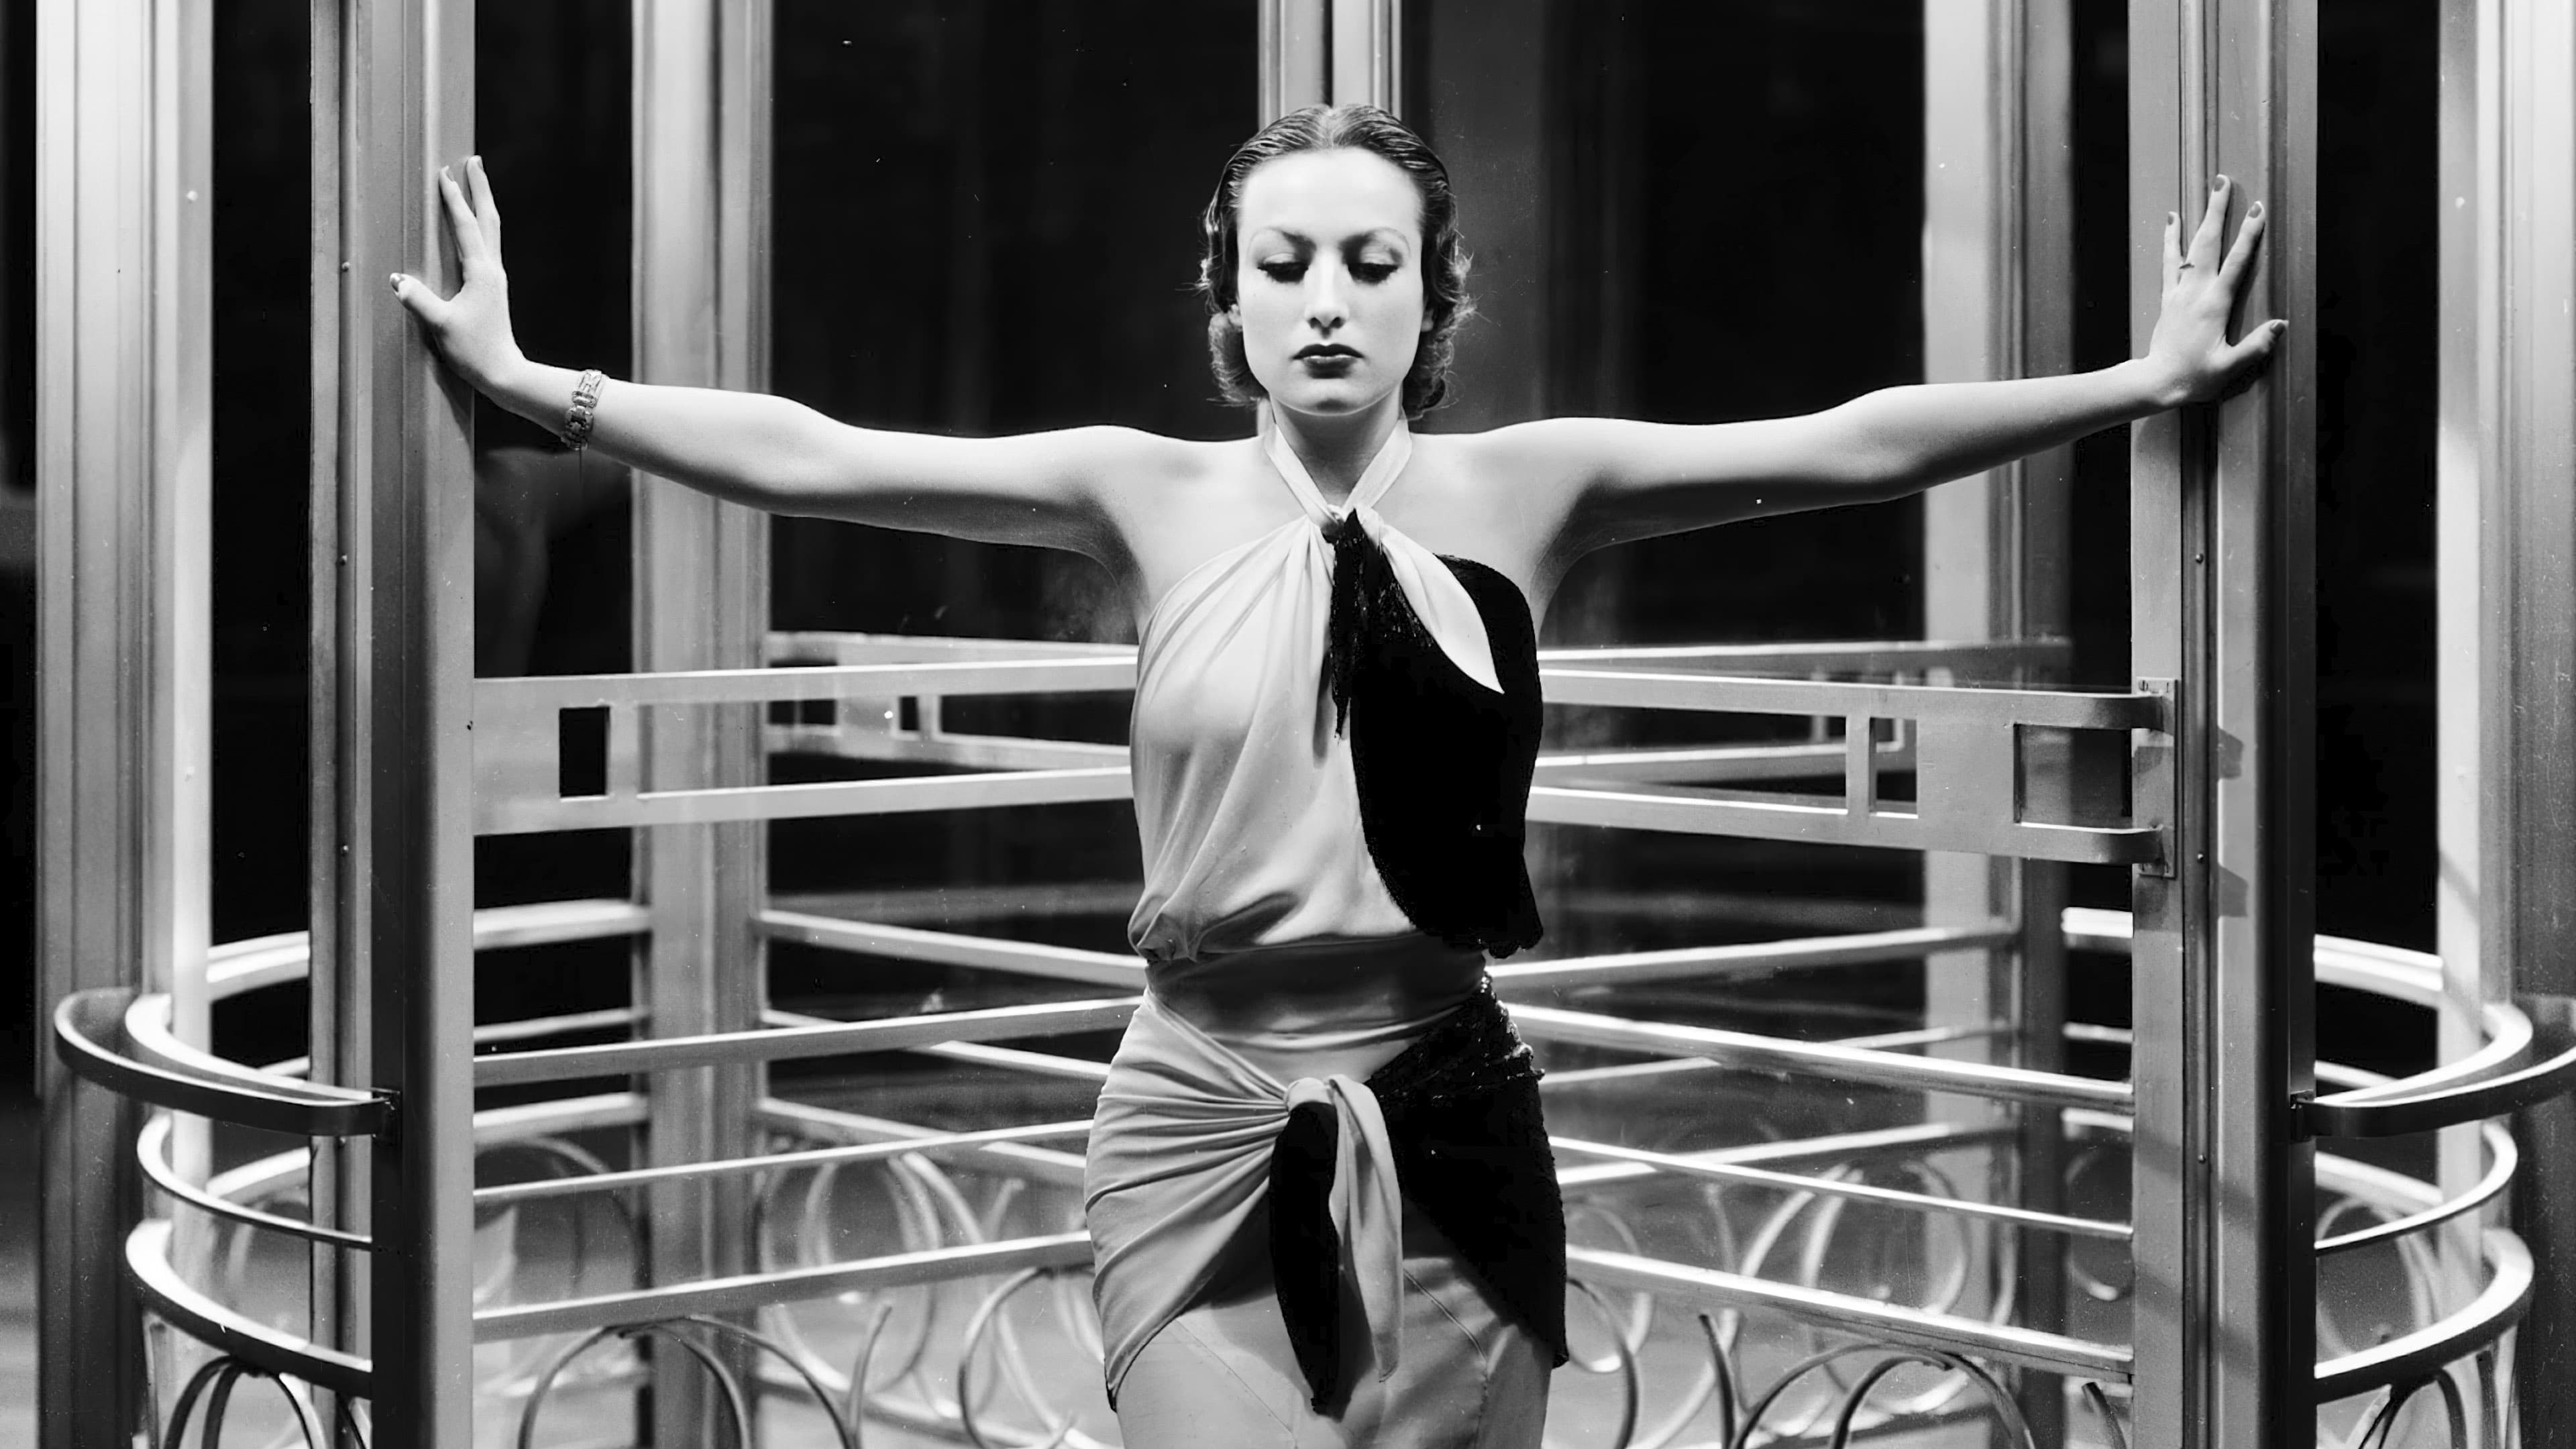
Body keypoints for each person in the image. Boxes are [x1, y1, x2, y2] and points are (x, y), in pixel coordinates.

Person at [396, 103, 2277, 1448]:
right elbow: (814, 452)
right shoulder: (1140, 492)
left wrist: (2142, 384)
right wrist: (536, 382)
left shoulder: (1530, 489)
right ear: (1227, 297)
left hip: (1449, 1110)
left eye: (1370, 266)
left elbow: (1852, 441)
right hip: (1197, 1115)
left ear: (1432, 298)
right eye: (1284, 264)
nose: (1324, 301)